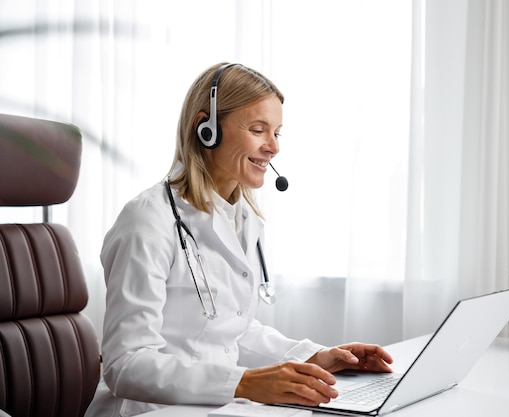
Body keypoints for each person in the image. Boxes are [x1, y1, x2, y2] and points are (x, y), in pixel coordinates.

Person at [85, 62, 393, 417]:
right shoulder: (149, 219)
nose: (273, 147)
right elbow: (126, 365)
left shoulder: (243, 218)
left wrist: (315, 357)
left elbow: (230, 332)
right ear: (207, 129)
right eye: (259, 129)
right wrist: (243, 382)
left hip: (218, 406)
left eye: (277, 133)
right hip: (150, 409)